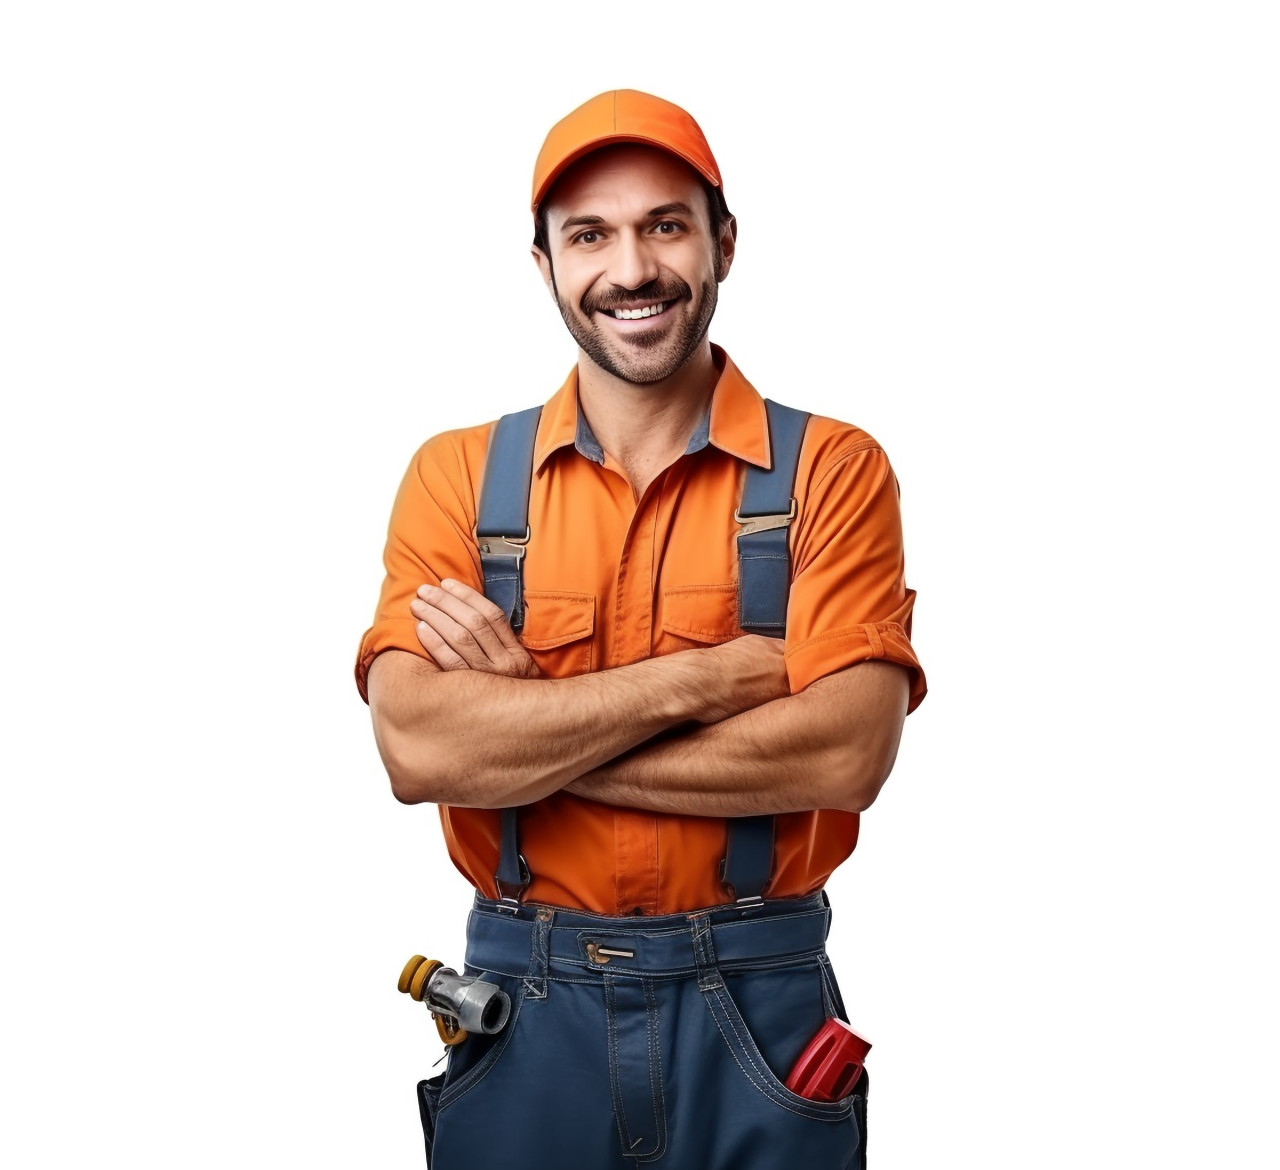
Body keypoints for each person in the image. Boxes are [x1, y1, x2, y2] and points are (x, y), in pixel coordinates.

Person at [354, 89, 928, 1170]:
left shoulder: (831, 473)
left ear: (721, 243)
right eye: (589, 235)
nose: (631, 269)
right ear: (544, 267)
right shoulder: (457, 478)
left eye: (664, 224)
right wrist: (711, 681)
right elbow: (419, 749)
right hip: (522, 1011)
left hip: (761, 1011)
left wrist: (523, 735)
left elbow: (846, 752)